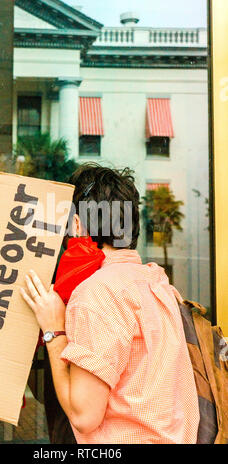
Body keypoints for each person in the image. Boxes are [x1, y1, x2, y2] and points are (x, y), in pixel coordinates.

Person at [21, 163, 200, 444]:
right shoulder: (157, 281)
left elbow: (84, 416)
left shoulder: (97, 293)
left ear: (78, 225)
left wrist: (54, 332)